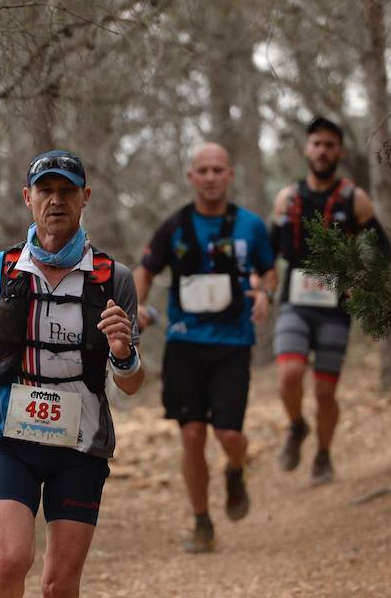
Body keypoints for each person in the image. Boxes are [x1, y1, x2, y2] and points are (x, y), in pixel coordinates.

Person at [0, 149, 144, 598]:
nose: (55, 201)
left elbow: (132, 384)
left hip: (80, 445)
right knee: (6, 562)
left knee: (59, 585)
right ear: (27, 197)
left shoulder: (113, 279)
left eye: (67, 191)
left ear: (85, 197)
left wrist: (122, 352)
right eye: (45, 190)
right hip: (9, 437)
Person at [133, 142, 277, 553]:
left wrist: (266, 293)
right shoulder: (175, 226)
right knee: (192, 435)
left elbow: (269, 272)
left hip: (233, 343)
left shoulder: (250, 225)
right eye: (203, 170)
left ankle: (235, 469)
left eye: (218, 169)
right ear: (191, 177)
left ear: (230, 175)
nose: (211, 177)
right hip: (184, 342)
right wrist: (138, 305)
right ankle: (202, 522)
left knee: (229, 433)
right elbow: (146, 269)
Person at [270, 116, 390, 485]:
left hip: (335, 306)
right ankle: (296, 426)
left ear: (339, 151)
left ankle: (323, 456)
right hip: (294, 300)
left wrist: (362, 282)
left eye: (330, 145)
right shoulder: (288, 197)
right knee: (289, 374)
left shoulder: (354, 198)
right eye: (317, 144)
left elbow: (381, 248)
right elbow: (267, 252)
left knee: (325, 391)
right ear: (307, 149)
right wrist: (263, 287)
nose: (322, 151)